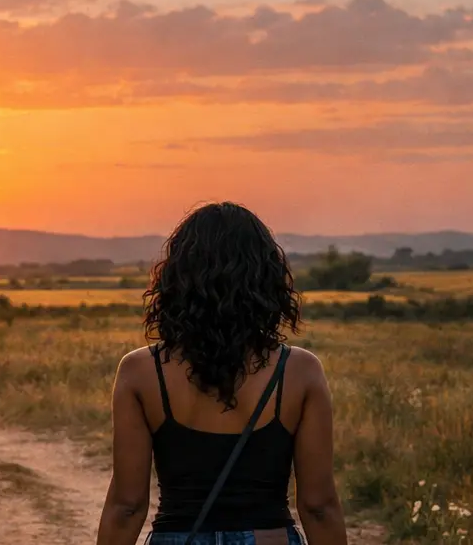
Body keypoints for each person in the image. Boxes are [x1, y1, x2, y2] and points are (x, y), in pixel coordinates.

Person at [97, 202, 348, 545]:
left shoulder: (141, 371)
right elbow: (318, 506)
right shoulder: (300, 371)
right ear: (266, 278)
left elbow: (127, 505)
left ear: (176, 279)